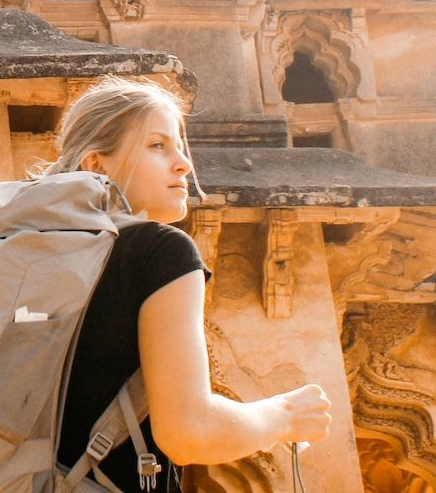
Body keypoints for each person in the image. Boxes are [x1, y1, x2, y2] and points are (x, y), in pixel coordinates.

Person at [49, 78, 332, 491]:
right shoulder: (159, 251)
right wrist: (284, 416)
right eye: (157, 146)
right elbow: (187, 432)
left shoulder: (19, 253)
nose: (183, 163)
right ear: (97, 165)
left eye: (180, 146)